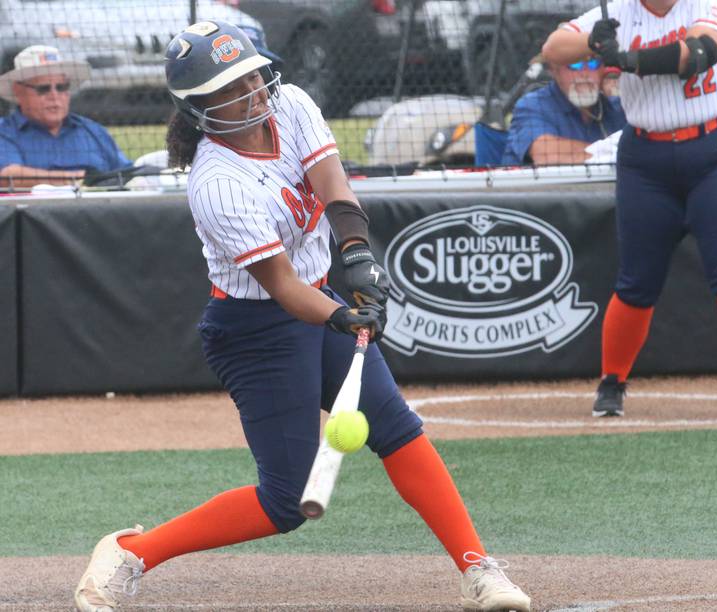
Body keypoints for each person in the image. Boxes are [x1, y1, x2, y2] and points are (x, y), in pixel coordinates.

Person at [73, 21, 531, 612]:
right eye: (231, 87)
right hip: (254, 330)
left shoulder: (288, 103)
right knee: (284, 504)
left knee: (396, 426)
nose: (252, 91)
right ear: (200, 108)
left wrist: (359, 257)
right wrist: (343, 316)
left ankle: (479, 569)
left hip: (315, 297)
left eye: (251, 75)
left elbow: (333, 184)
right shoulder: (216, 183)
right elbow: (284, 288)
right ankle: (133, 551)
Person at [542, 0, 717, 418]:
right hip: (646, 157)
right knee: (637, 280)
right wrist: (593, 42)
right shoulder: (621, 9)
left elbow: (698, 54)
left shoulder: (706, 3)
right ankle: (612, 383)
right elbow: (553, 49)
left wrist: (628, 59)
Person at [0, 45, 131, 189]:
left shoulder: (93, 132)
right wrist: (81, 179)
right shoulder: (4, 132)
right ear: (18, 91)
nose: (54, 96)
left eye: (61, 87)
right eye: (43, 88)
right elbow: (7, 177)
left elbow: (127, 175)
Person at [501, 57, 627, 166]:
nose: (584, 73)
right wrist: (621, 155)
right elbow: (547, 155)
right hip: (542, 192)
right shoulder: (532, 105)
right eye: (574, 64)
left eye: (592, 63)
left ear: (603, 69)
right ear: (553, 69)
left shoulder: (619, 108)